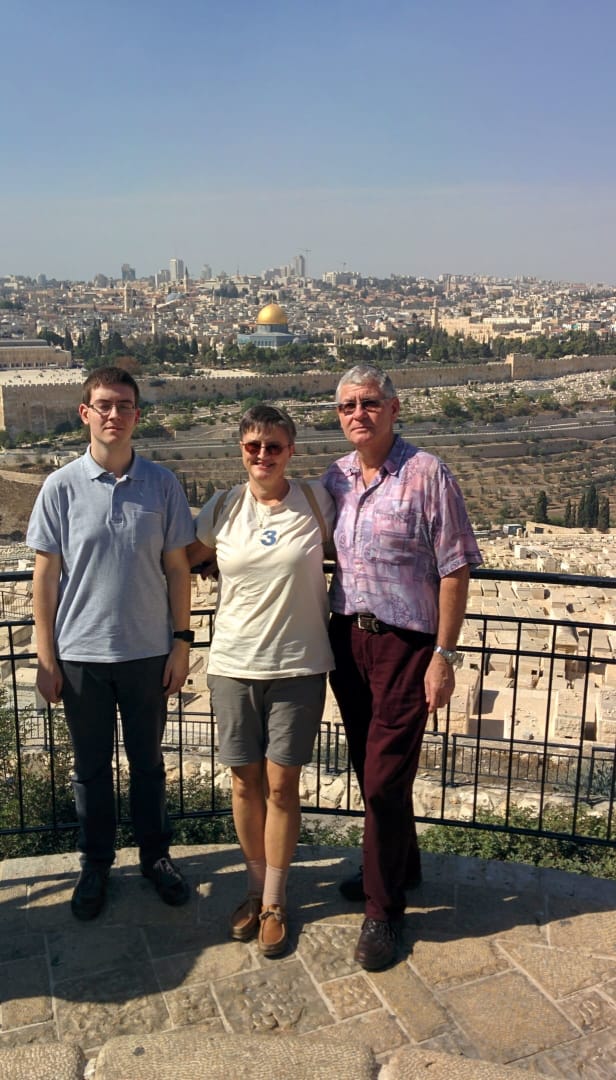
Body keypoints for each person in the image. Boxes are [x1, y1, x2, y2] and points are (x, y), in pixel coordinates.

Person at [323, 365, 482, 970]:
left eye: (368, 403)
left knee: (384, 780)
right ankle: (399, 865)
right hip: (348, 641)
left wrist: (444, 655)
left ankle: (383, 910)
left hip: (406, 646)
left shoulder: (427, 474)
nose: (357, 414)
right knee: (371, 771)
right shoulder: (334, 478)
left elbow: (455, 568)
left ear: (394, 409)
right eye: (347, 406)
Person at [27, 366, 195, 920]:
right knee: (91, 769)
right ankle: (95, 864)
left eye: (124, 405)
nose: (114, 415)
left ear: (137, 415)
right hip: (81, 657)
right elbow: (46, 577)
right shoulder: (59, 487)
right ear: (85, 413)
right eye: (104, 405)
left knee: (148, 764)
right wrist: (45, 657)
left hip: (148, 653)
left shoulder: (162, 484)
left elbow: (177, 569)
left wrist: (181, 643)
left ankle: (155, 857)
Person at [187, 404, 334, 958]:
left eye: (274, 446)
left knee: (281, 787)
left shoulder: (317, 503)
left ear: (291, 450)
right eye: (254, 446)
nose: (263, 455)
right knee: (244, 784)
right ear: (241, 451)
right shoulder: (223, 508)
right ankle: (253, 890)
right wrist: (205, 568)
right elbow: (187, 558)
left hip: (298, 665)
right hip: (233, 664)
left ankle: (274, 901)